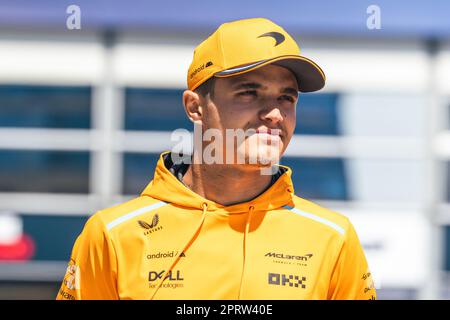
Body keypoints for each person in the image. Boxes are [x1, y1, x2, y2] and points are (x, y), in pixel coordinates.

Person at [57, 17, 376, 300]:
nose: (275, 114)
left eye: (286, 97)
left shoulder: (333, 238)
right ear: (195, 107)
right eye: (249, 93)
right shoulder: (113, 234)